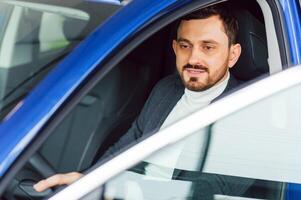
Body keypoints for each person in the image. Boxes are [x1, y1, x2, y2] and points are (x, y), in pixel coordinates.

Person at [34, 3, 254, 198]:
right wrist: (89, 180)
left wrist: (122, 189)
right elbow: (127, 145)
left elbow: (210, 191)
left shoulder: (250, 109)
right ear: (175, 49)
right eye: (186, 46)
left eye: (208, 47)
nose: (194, 58)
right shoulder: (166, 89)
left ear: (232, 55)